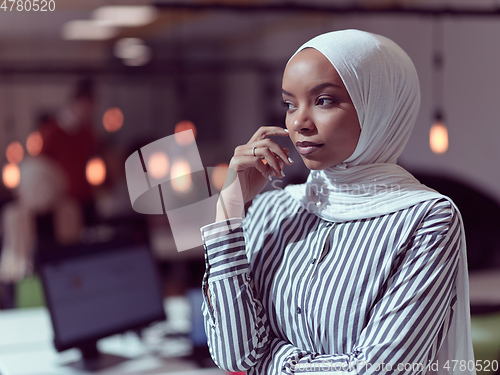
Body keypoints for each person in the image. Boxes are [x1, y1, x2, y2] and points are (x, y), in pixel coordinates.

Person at [199, 30, 475, 374]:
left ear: (379, 106)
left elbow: (379, 371)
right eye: (289, 104)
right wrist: (229, 208)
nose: (299, 122)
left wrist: (272, 361)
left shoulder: (428, 220)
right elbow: (234, 356)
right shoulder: (274, 210)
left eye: (324, 100)